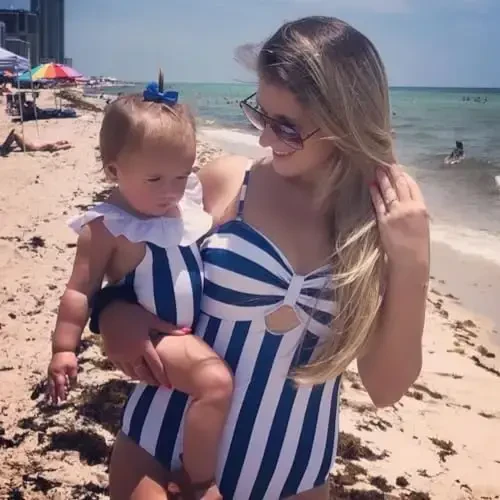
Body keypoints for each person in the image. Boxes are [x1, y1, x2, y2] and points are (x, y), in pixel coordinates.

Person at [90, 17, 429, 499]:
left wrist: (413, 264)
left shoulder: (375, 230)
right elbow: (127, 256)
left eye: (286, 127)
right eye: (261, 115)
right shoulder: (229, 182)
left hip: (294, 480)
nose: (265, 139)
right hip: (163, 455)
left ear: (345, 120)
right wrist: (112, 313)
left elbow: (385, 388)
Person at [47, 74, 233, 499]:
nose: (170, 191)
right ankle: (198, 481)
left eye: (181, 176)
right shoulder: (108, 227)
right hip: (157, 337)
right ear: (115, 170)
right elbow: (80, 290)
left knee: (210, 388)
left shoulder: (182, 209)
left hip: (190, 333)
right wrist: (63, 348)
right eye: (155, 180)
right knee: (215, 384)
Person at [0, 128, 72, 156]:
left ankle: (4, 148)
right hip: (30, 143)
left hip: (31, 147)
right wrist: (65, 142)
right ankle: (5, 146)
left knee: (15, 134)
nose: (61, 141)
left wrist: (68, 145)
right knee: (17, 132)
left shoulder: (52, 145)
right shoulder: (54, 142)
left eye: (63, 142)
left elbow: (60, 147)